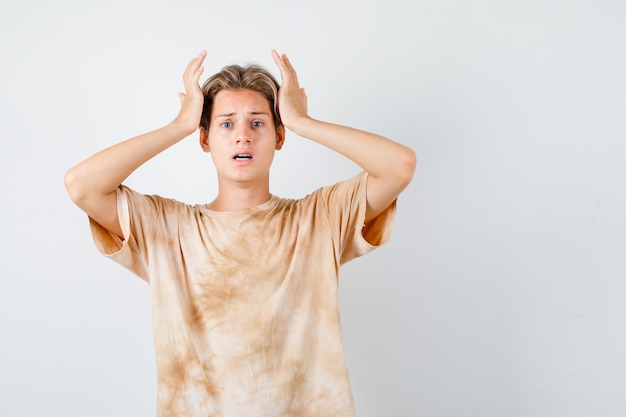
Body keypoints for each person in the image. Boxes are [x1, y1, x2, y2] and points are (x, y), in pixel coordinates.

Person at [64, 49, 416, 417]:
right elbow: (82, 185)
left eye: (258, 123)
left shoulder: (319, 217)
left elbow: (399, 166)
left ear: (280, 137)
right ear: (204, 139)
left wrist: (302, 121)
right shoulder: (168, 229)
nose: (243, 136)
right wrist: (178, 126)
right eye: (227, 124)